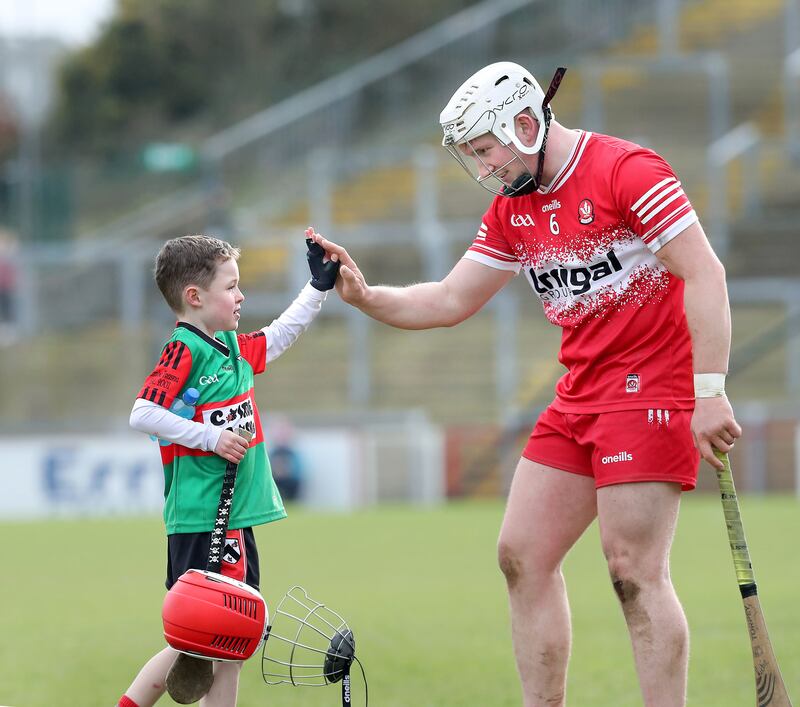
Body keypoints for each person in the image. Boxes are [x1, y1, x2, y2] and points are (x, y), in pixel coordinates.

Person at [309, 61, 742, 706]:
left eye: (485, 151)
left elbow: (707, 276)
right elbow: (451, 298)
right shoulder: (515, 208)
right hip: (581, 396)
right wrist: (365, 296)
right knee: (521, 553)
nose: (482, 169)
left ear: (524, 122)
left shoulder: (628, 172)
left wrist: (709, 391)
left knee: (631, 569)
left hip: (652, 389)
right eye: (471, 157)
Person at [117, 230, 339, 707]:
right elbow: (143, 413)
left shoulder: (230, 347)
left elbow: (277, 337)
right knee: (197, 639)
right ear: (194, 297)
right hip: (205, 520)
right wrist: (211, 437)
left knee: (232, 641)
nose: (241, 296)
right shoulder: (185, 349)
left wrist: (317, 287)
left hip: (234, 518)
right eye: (232, 286)